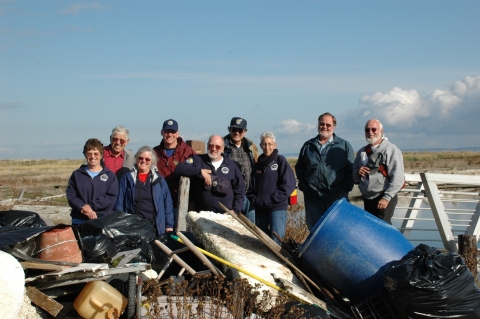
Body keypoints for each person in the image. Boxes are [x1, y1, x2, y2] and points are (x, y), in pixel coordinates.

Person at [295, 112, 354, 230]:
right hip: (313, 198)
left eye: (328, 124)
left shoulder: (344, 146)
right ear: (318, 125)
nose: (324, 127)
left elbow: (350, 170)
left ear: (334, 126)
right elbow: (300, 167)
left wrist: (344, 189)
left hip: (336, 197)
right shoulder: (308, 146)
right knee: (315, 231)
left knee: (338, 229)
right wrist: (304, 186)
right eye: (322, 124)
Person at [175, 135, 244, 214]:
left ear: (222, 149)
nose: (214, 149)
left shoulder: (232, 166)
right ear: (207, 146)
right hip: (201, 216)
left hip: (225, 216)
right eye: (211, 145)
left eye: (217, 147)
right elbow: (179, 169)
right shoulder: (198, 160)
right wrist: (199, 172)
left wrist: (235, 210)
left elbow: (240, 190)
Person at [247, 132, 296, 244]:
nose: (267, 147)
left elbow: (289, 185)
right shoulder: (257, 165)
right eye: (264, 144)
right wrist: (256, 200)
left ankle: (277, 261)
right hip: (261, 208)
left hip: (277, 207)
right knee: (262, 240)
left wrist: (272, 199)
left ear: (275, 145)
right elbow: (251, 188)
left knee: (276, 240)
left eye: (270, 144)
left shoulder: (280, 161)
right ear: (260, 146)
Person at [353, 119, 404, 224]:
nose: (370, 132)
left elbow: (398, 177)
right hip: (368, 198)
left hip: (383, 196)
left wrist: (387, 198)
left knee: (384, 229)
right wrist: (358, 172)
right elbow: (353, 177)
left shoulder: (391, 149)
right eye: (367, 130)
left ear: (381, 131)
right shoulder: (361, 152)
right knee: (371, 229)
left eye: (374, 129)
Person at [115, 146, 174, 235]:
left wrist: (169, 225)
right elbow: (119, 203)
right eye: (141, 158)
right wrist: (122, 224)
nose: (143, 161)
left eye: (147, 159)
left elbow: (167, 204)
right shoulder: (127, 178)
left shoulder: (159, 180)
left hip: (156, 227)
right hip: (133, 227)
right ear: (136, 158)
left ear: (152, 162)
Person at [67, 138, 119, 225]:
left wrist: (90, 208)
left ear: (101, 155)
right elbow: (71, 196)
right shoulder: (77, 175)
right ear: (85, 155)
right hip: (79, 220)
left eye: (96, 153)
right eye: (89, 153)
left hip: (102, 220)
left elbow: (111, 198)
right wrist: (82, 207)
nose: (93, 156)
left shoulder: (110, 176)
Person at [153, 119, 196, 213]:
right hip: (159, 202)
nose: (169, 135)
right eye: (167, 131)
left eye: (173, 132)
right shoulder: (154, 152)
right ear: (161, 132)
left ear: (178, 134)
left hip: (181, 202)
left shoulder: (188, 152)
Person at [223, 117, 259, 222]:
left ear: (245, 132)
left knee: (251, 229)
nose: (237, 133)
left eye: (240, 130)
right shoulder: (222, 146)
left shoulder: (251, 147)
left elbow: (257, 166)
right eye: (234, 129)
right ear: (229, 129)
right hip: (231, 196)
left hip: (250, 195)